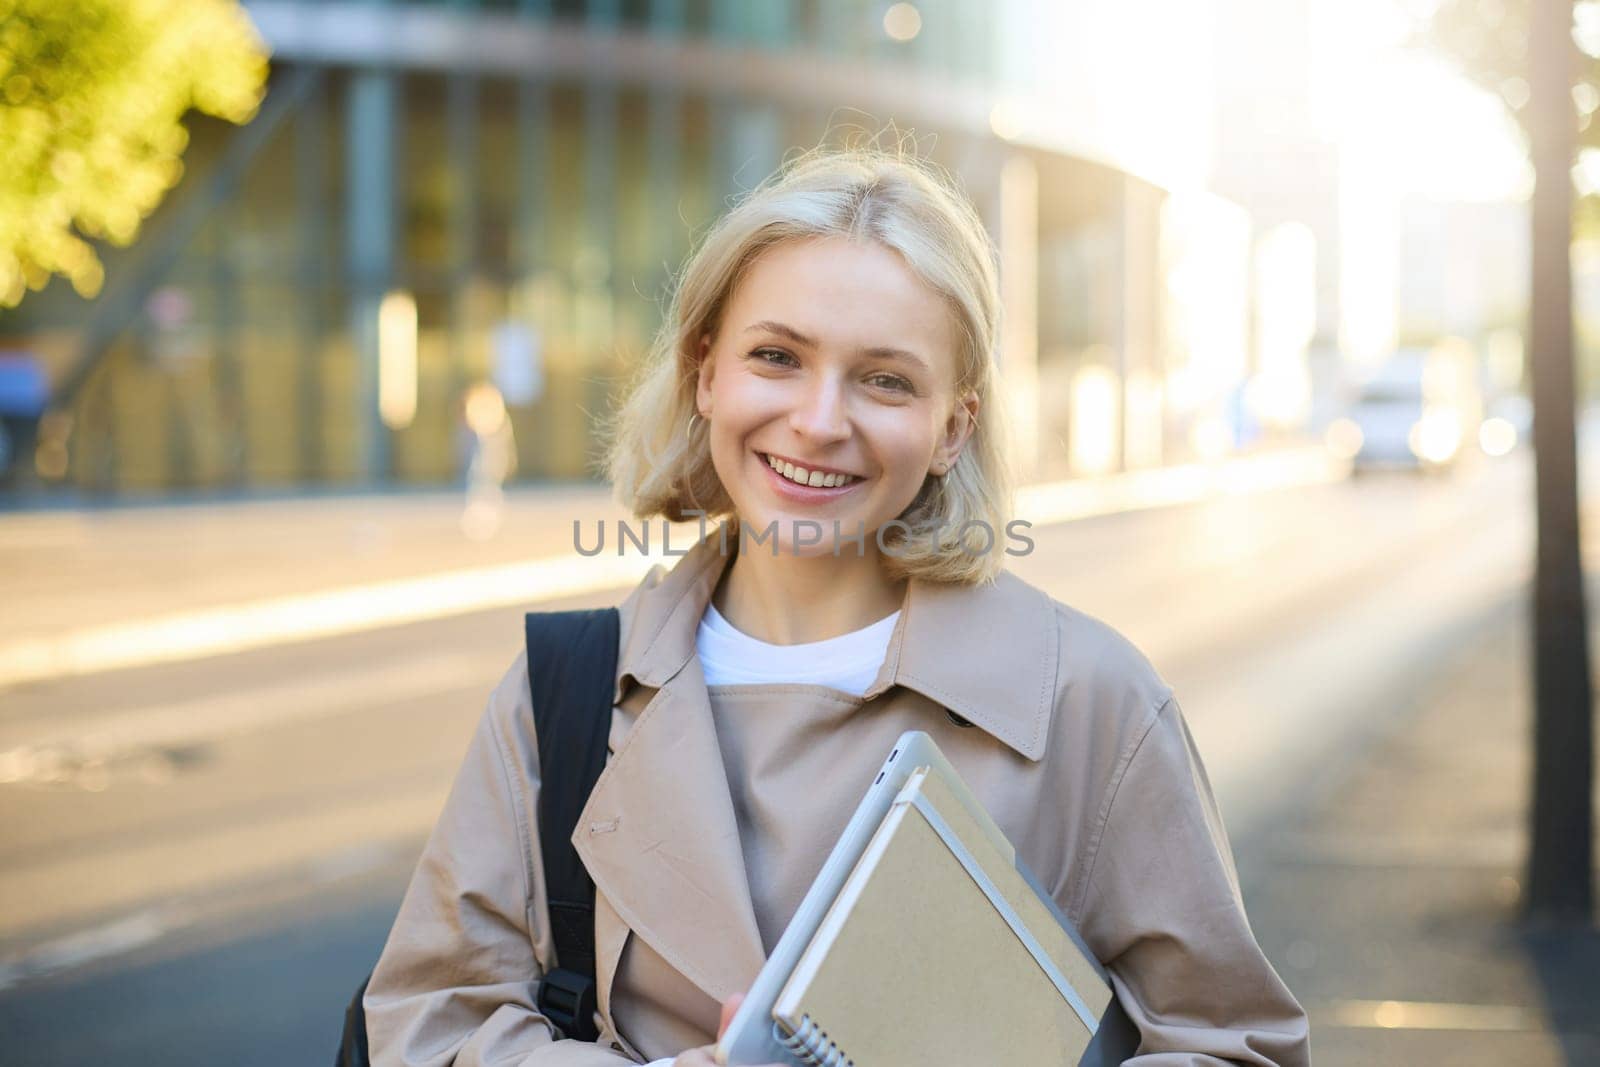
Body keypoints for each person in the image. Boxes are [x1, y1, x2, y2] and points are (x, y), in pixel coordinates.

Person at [363, 143, 1312, 1066]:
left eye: (885, 380)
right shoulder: (562, 697)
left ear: (954, 427)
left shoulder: (1089, 704)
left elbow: (1235, 1046)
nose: (819, 421)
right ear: (706, 374)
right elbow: (428, 1022)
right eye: (776, 356)